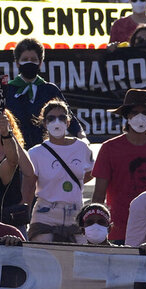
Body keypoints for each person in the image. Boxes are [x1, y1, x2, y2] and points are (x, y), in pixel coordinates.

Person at [93, 89, 146, 244]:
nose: (140, 117)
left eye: (145, 112)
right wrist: (97, 227)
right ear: (127, 116)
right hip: (118, 230)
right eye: (135, 112)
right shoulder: (109, 148)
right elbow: (98, 195)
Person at [23, 100, 92, 242]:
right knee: (43, 259)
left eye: (61, 118)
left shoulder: (81, 148)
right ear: (44, 123)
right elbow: (28, 187)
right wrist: (24, 219)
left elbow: (91, 172)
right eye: (51, 118)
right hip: (45, 214)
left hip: (76, 214)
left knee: (79, 258)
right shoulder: (35, 153)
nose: (57, 122)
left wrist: (67, 181)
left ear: (68, 122)